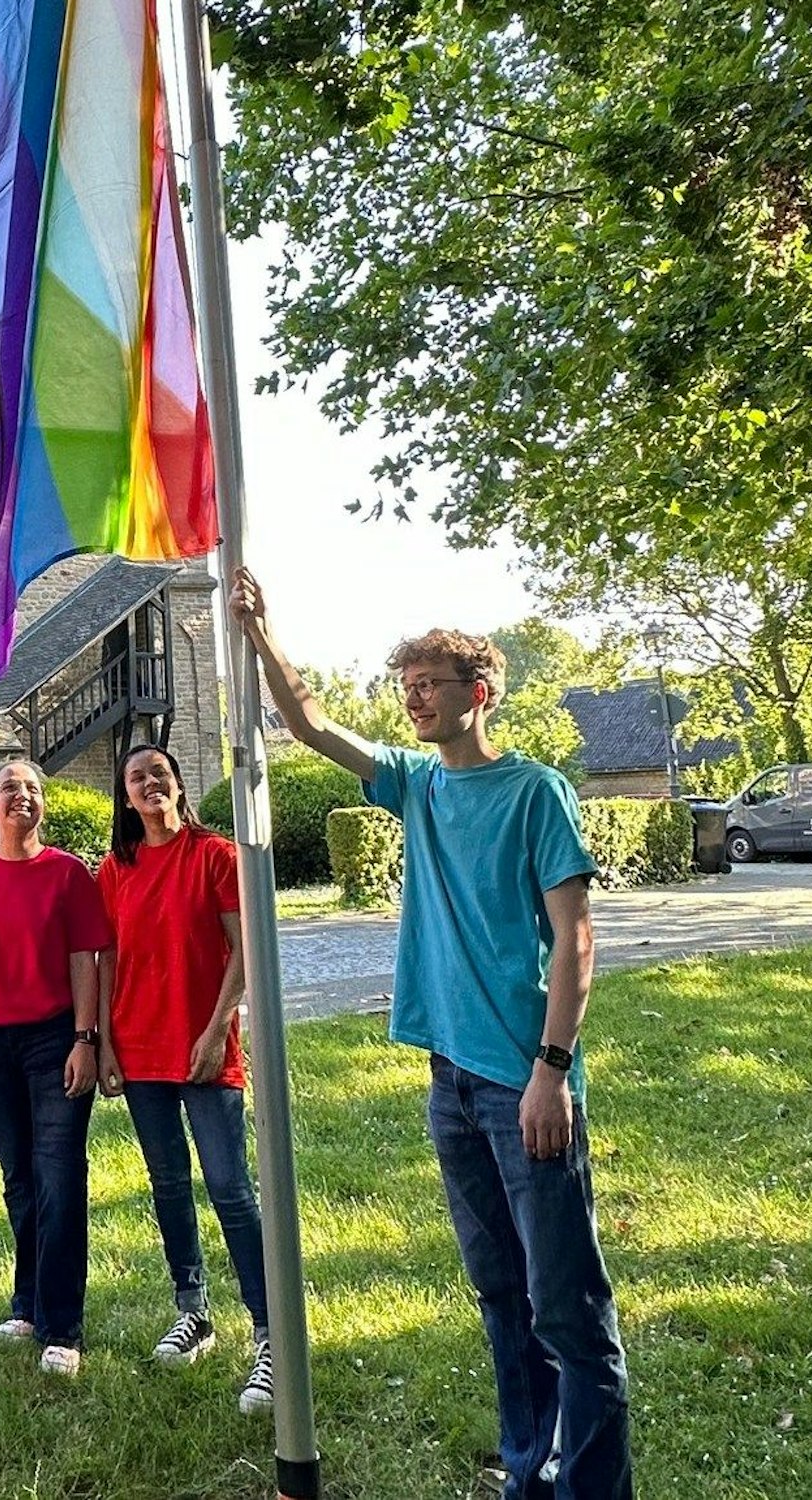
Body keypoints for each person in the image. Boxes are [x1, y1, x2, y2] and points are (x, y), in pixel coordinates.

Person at [232, 566, 631, 1498]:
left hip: (523, 1083)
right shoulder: (414, 786)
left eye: (429, 686)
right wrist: (261, 633)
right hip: (451, 1082)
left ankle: (594, 1489)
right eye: (404, 686)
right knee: (501, 1300)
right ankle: (530, 1473)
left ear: (477, 695)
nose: (412, 700)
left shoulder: (535, 791)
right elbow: (310, 726)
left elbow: (575, 936)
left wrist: (550, 1069)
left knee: (567, 1311)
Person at [96, 743, 277, 1413]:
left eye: (160, 774)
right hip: (137, 1049)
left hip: (203, 1050)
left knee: (231, 1189)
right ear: (126, 793)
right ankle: (194, 1310)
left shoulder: (216, 856)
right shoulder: (116, 869)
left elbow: (245, 946)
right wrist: (106, 1043)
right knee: (168, 1183)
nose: (149, 783)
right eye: (137, 776)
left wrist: (215, 1028)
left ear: (177, 785)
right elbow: (107, 960)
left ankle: (268, 1331)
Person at [0, 758, 108, 1377]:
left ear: (43, 807)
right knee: (20, 1179)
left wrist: (87, 1039)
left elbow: (86, 959)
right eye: (10, 788)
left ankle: (62, 1327)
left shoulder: (67, 874)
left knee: (59, 1176)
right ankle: (29, 1304)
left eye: (33, 789)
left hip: (53, 1039)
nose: (22, 797)